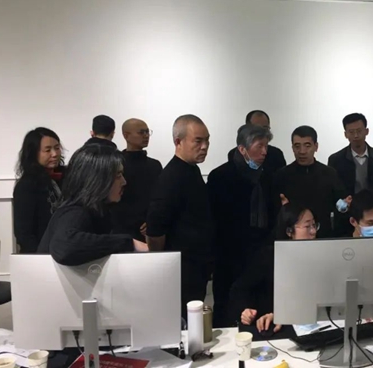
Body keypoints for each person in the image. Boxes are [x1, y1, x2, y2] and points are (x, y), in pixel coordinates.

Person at [208, 124, 277, 327]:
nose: (264, 152)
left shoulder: (267, 176)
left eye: (266, 146)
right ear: (242, 149)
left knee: (257, 307)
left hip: (259, 254)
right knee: (226, 307)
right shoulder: (220, 176)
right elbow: (213, 219)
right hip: (228, 255)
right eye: (259, 146)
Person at [146, 114, 214, 317]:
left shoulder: (192, 170)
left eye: (207, 140)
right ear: (178, 142)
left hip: (197, 265)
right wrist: (164, 261)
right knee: (182, 321)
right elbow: (155, 230)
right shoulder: (171, 178)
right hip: (181, 270)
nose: (204, 146)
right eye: (198, 141)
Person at [38, 144, 148, 265]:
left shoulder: (98, 211)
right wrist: (128, 243)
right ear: (98, 179)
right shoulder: (75, 212)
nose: (124, 182)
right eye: (118, 175)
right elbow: (65, 245)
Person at [230, 203, 318, 333]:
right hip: (271, 325)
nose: (313, 231)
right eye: (307, 226)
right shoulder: (269, 257)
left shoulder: (318, 255)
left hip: (308, 323)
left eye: (314, 225)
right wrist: (245, 310)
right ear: (289, 231)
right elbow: (239, 289)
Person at [273, 126, 348, 238]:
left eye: (307, 146)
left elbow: (340, 204)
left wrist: (344, 206)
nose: (302, 151)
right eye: (297, 146)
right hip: (293, 237)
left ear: (316, 147)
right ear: (292, 148)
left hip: (324, 236)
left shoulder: (329, 174)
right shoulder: (282, 175)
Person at [13, 128, 65, 253]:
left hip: (63, 249)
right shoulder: (27, 186)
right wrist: (39, 257)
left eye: (57, 148)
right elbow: (23, 233)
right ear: (33, 153)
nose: (54, 154)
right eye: (47, 150)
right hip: (41, 255)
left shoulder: (65, 177)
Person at [110, 119, 162, 241]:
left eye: (147, 132)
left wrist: (151, 220)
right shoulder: (115, 164)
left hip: (149, 229)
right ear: (126, 135)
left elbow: (159, 197)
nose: (146, 136)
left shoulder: (155, 165)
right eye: (141, 132)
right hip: (121, 229)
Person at [328, 113, 373, 196]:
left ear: (366, 131)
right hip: (348, 203)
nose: (356, 135)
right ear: (345, 134)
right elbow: (333, 190)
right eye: (351, 132)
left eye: (359, 131)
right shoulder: (336, 160)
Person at [227, 110, 286, 175]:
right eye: (256, 128)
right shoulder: (234, 154)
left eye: (265, 128)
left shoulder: (276, 154)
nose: (261, 132)